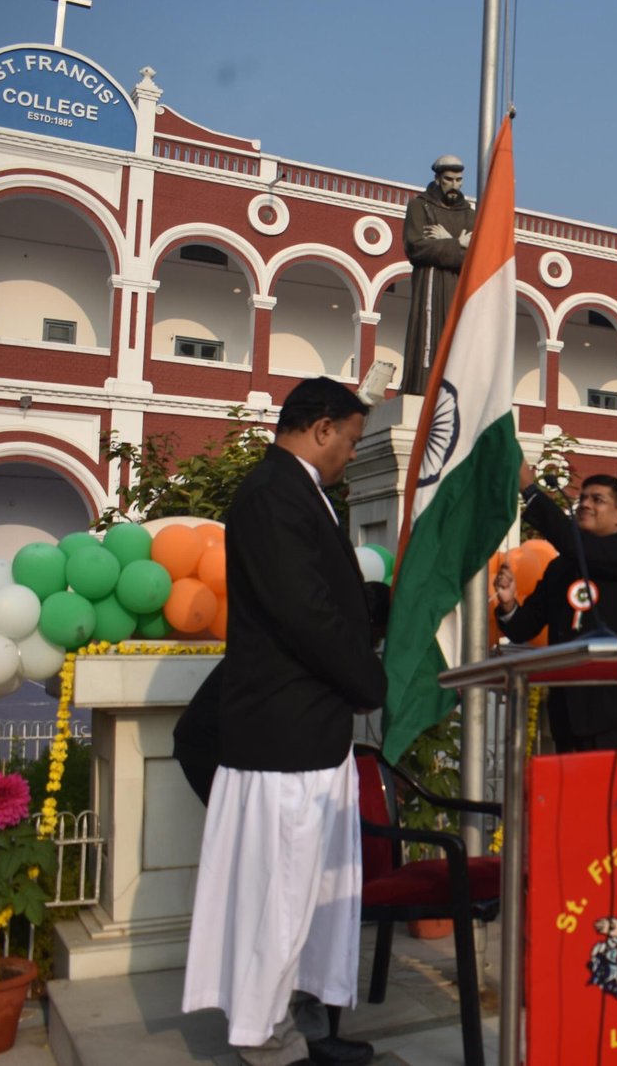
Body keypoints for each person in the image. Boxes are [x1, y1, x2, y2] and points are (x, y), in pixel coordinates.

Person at [182, 377, 387, 1066]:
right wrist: (367, 683)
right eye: (350, 441)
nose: (351, 455)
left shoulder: (302, 492)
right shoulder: (274, 492)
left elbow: (324, 595)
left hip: (308, 734)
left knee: (311, 897)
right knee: (281, 893)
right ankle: (265, 1037)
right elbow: (305, 613)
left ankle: (303, 1021)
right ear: (322, 427)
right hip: (284, 737)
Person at [492, 462, 617, 750]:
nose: (585, 504)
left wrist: (530, 490)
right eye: (582, 498)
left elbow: (576, 545)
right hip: (568, 715)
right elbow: (523, 628)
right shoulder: (560, 567)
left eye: (597, 499)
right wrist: (508, 603)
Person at [400, 154, 475, 397]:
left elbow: (475, 259)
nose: (454, 185)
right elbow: (416, 247)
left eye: (459, 180)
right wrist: (458, 244)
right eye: (449, 179)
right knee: (428, 340)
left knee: (458, 339)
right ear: (437, 178)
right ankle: (424, 389)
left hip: (458, 288)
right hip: (429, 286)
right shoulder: (419, 206)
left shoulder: (470, 215)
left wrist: (445, 242)